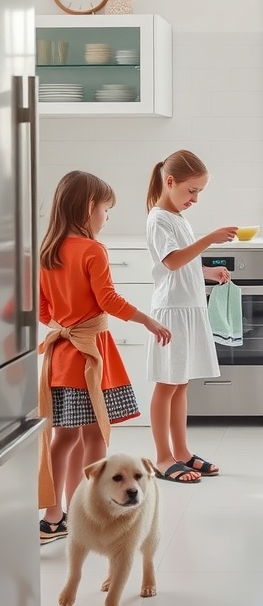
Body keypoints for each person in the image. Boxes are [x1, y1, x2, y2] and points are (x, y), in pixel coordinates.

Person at [38, 170, 171, 543]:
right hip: (91, 355)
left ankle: (53, 517)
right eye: (106, 209)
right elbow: (108, 299)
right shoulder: (92, 249)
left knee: (62, 438)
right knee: (95, 436)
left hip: (61, 357)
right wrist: (146, 319)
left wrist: (66, 319)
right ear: (88, 207)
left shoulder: (47, 249)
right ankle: (85, 515)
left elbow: (42, 311)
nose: (106, 218)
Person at [146, 149, 237, 483]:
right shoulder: (157, 219)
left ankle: (181, 452)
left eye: (199, 192)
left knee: (181, 383)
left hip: (188, 307)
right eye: (191, 190)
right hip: (171, 311)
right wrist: (210, 239)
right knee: (167, 384)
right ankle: (162, 457)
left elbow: (182, 263)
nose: (195, 198)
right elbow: (170, 262)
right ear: (170, 182)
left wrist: (208, 272)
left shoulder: (178, 219)